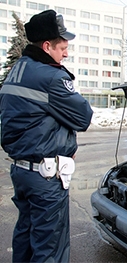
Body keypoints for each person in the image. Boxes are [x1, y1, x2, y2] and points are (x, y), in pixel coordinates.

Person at [0, 10, 93, 263]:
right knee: (49, 248)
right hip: (45, 178)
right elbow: (84, 117)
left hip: (22, 172)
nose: (66, 53)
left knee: (26, 238)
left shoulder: (17, 70)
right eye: (62, 47)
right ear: (46, 46)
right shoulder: (51, 76)